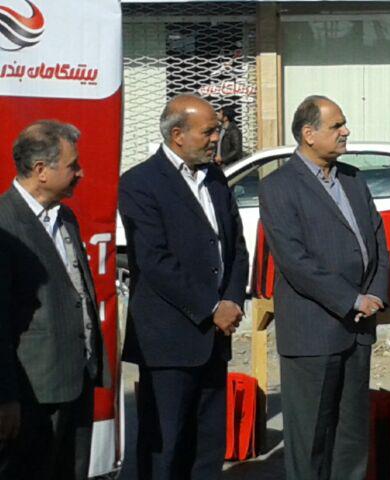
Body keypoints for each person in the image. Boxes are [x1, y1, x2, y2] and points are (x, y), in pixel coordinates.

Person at [259, 95, 390, 479]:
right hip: (313, 332)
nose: (346, 131)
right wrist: (352, 299)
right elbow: (295, 262)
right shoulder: (279, 186)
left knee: (351, 437)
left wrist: (375, 294)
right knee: (311, 439)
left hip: (358, 330)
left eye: (343, 123)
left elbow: (378, 242)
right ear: (309, 134)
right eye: (336, 126)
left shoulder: (353, 178)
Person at [119, 94, 249, 479]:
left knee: (207, 447)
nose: (216, 138)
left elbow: (236, 246)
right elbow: (154, 260)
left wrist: (232, 299)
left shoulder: (215, 178)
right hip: (169, 341)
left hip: (215, 338)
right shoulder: (140, 183)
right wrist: (212, 307)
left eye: (217, 130)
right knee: (165, 447)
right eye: (208, 131)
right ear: (177, 135)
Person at [0, 120, 109, 480]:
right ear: (41, 170)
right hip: (34, 392)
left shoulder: (65, 217)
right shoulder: (5, 224)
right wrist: (6, 397)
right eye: (73, 165)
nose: (81, 172)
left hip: (76, 380)